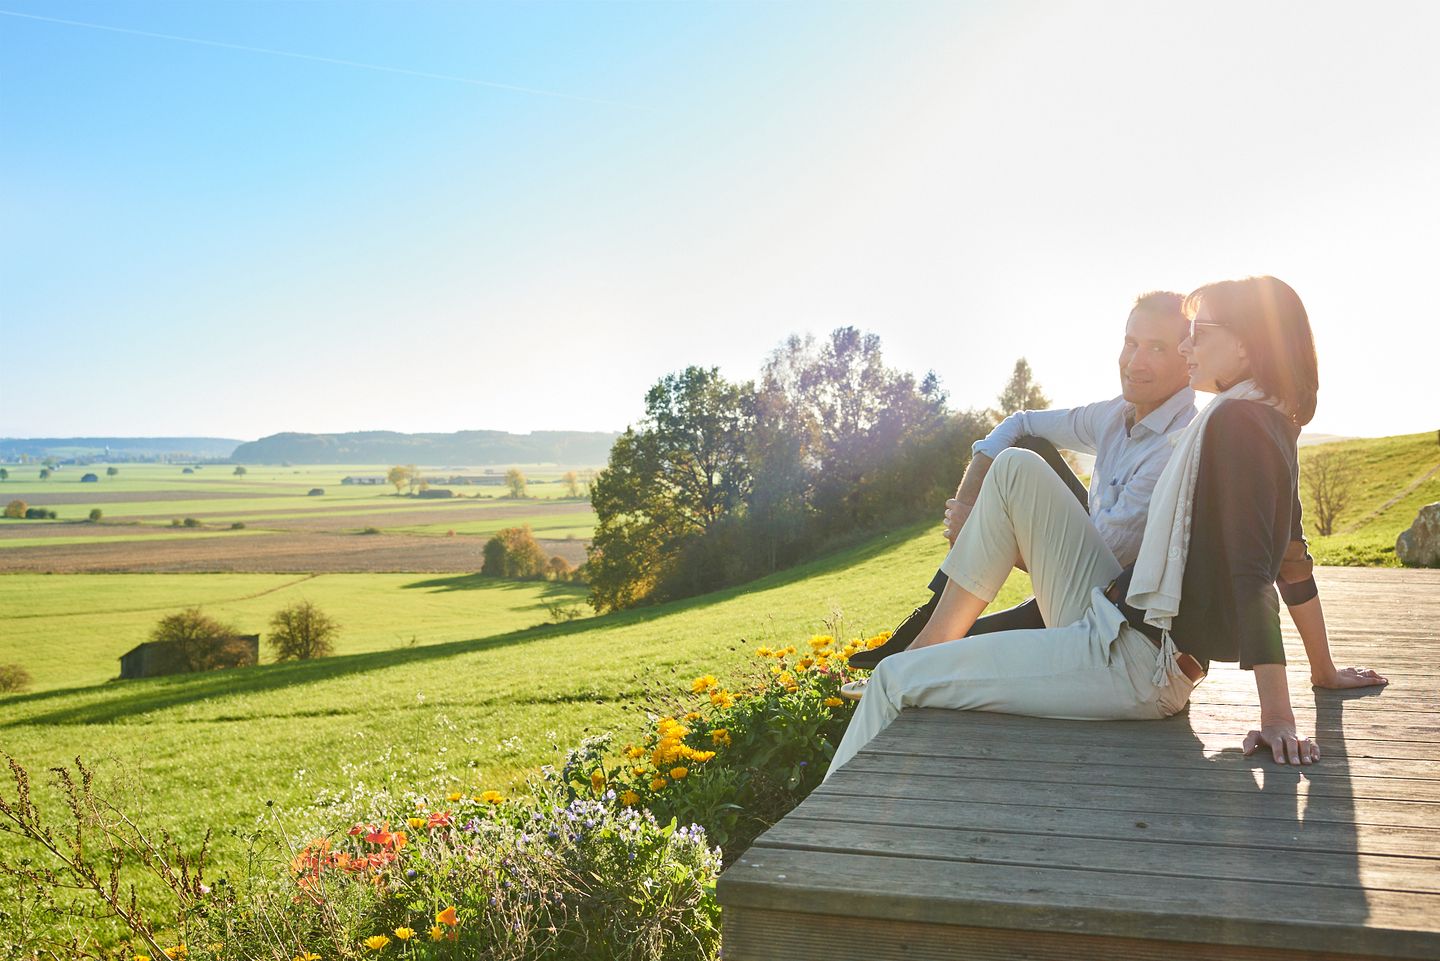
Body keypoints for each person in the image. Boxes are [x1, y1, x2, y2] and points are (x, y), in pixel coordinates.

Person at [827, 276, 1386, 779]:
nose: (1189, 346)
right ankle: (925, 652)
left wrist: (1277, 716)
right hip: (1120, 627)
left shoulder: (1236, 424)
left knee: (894, 681)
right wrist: (1324, 670)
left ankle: (830, 847)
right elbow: (1292, 556)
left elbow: (1252, 573)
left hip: (1137, 663)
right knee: (1018, 464)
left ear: (1246, 344)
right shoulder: (1266, 417)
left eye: (1200, 333)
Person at [850, 291, 1197, 670]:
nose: (1135, 362)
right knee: (1028, 443)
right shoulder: (1115, 414)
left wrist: (984, 531)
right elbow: (1020, 423)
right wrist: (968, 506)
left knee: (957, 647)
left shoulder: (1174, 446)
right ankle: (926, 621)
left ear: (1188, 360)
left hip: (1109, 617)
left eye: (1158, 349)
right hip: (1082, 578)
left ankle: (914, 650)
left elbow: (1103, 567)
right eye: (1131, 343)